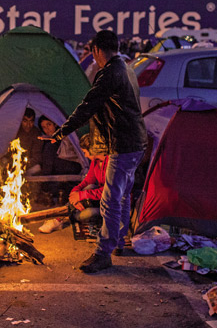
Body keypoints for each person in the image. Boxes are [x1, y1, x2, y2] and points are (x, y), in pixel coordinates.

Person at [48, 30, 147, 273]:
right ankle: (118, 241)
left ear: (97, 50)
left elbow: (87, 106)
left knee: (111, 199)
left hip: (122, 144)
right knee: (121, 196)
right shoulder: (127, 67)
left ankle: (103, 252)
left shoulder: (110, 72)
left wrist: (61, 131)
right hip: (135, 142)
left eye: (93, 54)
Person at [39, 134, 108, 234]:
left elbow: (110, 193)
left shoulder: (112, 163)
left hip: (111, 204)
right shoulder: (96, 161)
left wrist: (81, 195)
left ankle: (64, 218)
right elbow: (87, 181)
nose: (85, 156)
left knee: (86, 214)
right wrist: (75, 193)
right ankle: (58, 219)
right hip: (100, 199)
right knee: (89, 187)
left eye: (85, 152)